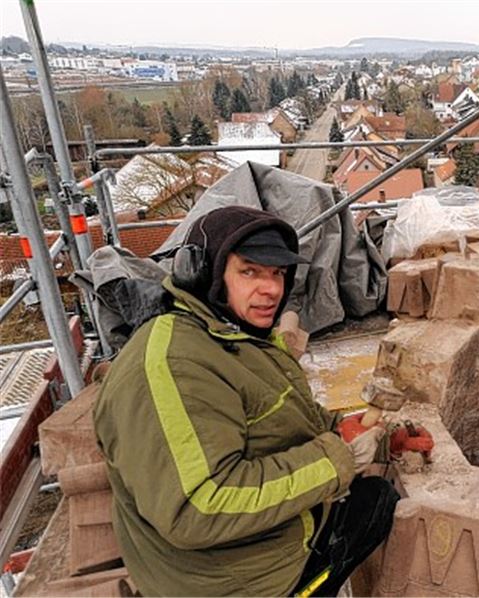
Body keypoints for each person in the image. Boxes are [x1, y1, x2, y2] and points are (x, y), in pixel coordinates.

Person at [94, 206, 432, 596]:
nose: (271, 288)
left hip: (235, 554)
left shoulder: (229, 334)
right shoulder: (175, 366)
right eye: (249, 271)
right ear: (203, 271)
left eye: (278, 274)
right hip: (226, 582)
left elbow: (286, 421)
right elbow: (199, 507)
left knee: (374, 500)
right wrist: (336, 457)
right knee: (372, 508)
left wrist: (378, 440)